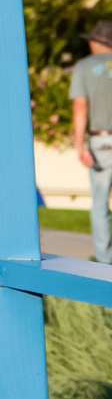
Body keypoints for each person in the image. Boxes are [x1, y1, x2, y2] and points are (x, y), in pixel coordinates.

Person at [70, 18, 112, 264]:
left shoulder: (84, 67)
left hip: (101, 143)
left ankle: (106, 265)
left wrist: (79, 145)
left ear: (97, 42)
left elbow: (80, 107)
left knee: (99, 204)